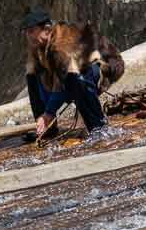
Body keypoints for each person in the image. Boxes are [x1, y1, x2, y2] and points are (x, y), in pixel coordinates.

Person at [23, 9, 125, 137]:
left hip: (105, 67)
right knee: (31, 75)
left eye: (31, 31)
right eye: (26, 32)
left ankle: (98, 128)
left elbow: (65, 78)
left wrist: (49, 112)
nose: (28, 36)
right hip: (69, 76)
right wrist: (43, 115)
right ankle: (47, 128)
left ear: (47, 30)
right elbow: (44, 81)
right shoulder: (37, 47)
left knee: (76, 78)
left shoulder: (62, 41)